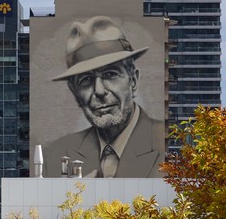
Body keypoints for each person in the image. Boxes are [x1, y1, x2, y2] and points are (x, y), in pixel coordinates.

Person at [42, 16, 165, 178]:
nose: (99, 90)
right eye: (86, 80)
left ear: (133, 81)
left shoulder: (170, 143)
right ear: (74, 92)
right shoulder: (56, 155)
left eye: (110, 74)